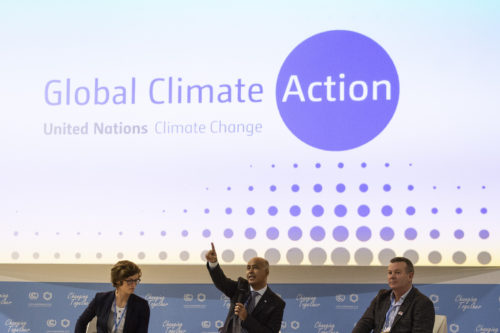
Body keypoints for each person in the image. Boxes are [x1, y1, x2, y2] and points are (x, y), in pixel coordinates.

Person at [205, 243, 285, 333]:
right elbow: (221, 282)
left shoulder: (276, 303)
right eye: (248, 268)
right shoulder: (240, 288)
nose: (250, 271)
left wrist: (246, 318)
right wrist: (213, 263)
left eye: (255, 268)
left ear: (266, 272)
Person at [352, 257, 435, 333]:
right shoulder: (382, 297)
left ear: (410, 276)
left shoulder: (422, 303)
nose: (392, 276)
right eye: (390, 272)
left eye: (397, 273)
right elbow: (364, 324)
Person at [75, 260, 150, 333]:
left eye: (136, 281)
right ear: (118, 281)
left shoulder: (142, 305)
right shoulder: (101, 299)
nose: (134, 285)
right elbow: (81, 322)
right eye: (129, 281)